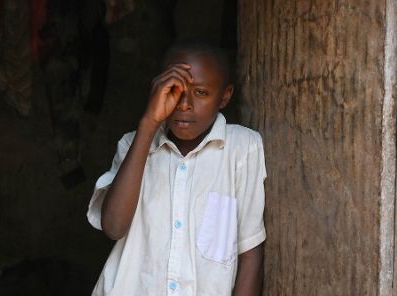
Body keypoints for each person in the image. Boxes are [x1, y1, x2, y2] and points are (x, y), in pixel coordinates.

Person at [87, 41, 266, 295]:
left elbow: (250, 252)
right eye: (174, 90)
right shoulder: (133, 145)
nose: (184, 104)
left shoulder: (242, 148)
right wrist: (149, 123)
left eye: (201, 92)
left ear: (225, 97)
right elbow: (114, 226)